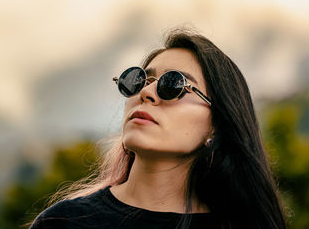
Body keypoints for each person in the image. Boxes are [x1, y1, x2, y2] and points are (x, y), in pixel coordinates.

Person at [30, 29, 288, 229]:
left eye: (173, 84)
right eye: (140, 80)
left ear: (216, 125)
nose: (147, 92)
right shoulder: (63, 222)